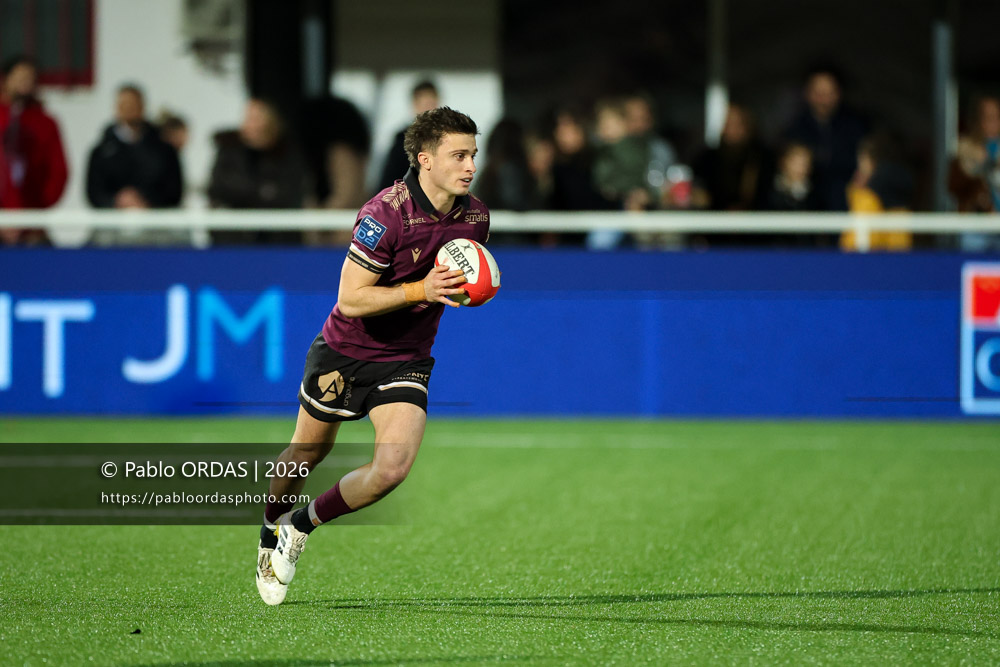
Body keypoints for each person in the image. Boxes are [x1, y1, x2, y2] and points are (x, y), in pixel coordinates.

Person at [255, 107, 490, 606]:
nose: (470, 165)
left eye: (473, 153)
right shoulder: (384, 213)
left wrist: (465, 290)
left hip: (406, 356)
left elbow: (454, 283)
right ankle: (270, 527)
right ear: (425, 160)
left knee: (392, 468)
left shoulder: (475, 218)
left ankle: (301, 525)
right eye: (458, 155)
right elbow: (351, 300)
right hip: (346, 351)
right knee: (305, 454)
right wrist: (420, 289)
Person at [207, 98, 307, 245]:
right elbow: (218, 187)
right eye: (248, 118)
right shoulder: (229, 150)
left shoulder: (287, 152)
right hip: (233, 238)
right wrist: (260, 192)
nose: (250, 124)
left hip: (279, 238)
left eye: (256, 118)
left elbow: (291, 191)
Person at [0, 55, 68, 245]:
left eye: (29, 78)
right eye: (19, 77)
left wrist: (35, 211)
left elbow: (58, 170)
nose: (24, 83)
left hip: (32, 220)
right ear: (6, 79)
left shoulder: (45, 123)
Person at [85, 84, 183, 211]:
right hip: (111, 226)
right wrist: (116, 200)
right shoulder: (101, 152)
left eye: (133, 105)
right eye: (124, 105)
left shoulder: (164, 151)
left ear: (142, 107)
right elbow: (94, 193)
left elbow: (174, 191)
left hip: (154, 225)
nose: (129, 109)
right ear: (116, 108)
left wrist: (145, 201)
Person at [784, 66, 867, 211]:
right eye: (818, 93)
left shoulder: (856, 128)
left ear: (839, 93)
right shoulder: (794, 130)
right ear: (807, 93)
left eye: (829, 93)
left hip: (845, 203)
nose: (823, 100)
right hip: (804, 205)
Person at [378, 80, 440, 191]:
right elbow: (389, 181)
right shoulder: (402, 142)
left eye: (432, 104)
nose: (429, 110)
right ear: (415, 105)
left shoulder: (447, 140)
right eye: (425, 105)